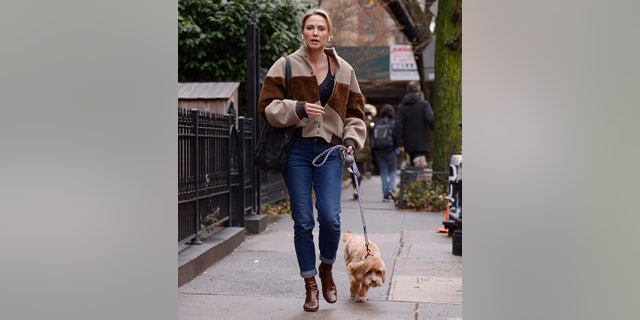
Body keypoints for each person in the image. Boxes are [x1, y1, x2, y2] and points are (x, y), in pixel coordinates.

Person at [257, 8, 367, 312]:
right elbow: (266, 106)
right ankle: (310, 284)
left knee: (331, 218)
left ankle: (327, 268)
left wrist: (350, 139)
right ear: (302, 32)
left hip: (331, 152)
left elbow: (356, 112)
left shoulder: (344, 70)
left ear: (328, 34)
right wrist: (299, 108)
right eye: (310, 27)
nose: (315, 32)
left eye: (320, 28)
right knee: (303, 221)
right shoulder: (286, 65)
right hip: (297, 152)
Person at [395, 81, 434, 167]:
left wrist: (400, 143)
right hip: (422, 143)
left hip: (408, 143)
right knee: (420, 167)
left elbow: (399, 125)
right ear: (419, 91)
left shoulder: (401, 107)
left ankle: (412, 179)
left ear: (407, 91)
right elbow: (431, 120)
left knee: (411, 166)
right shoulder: (424, 105)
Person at [371, 104, 397, 202]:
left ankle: (385, 195)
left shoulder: (377, 123)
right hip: (390, 149)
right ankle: (390, 187)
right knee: (393, 169)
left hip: (378, 150)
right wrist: (396, 147)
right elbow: (395, 136)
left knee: (383, 171)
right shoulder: (393, 123)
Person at [352, 103, 375, 200]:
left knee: (352, 170)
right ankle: (357, 188)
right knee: (359, 170)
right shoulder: (368, 123)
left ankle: (355, 188)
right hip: (363, 149)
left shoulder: (355, 120)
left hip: (353, 148)